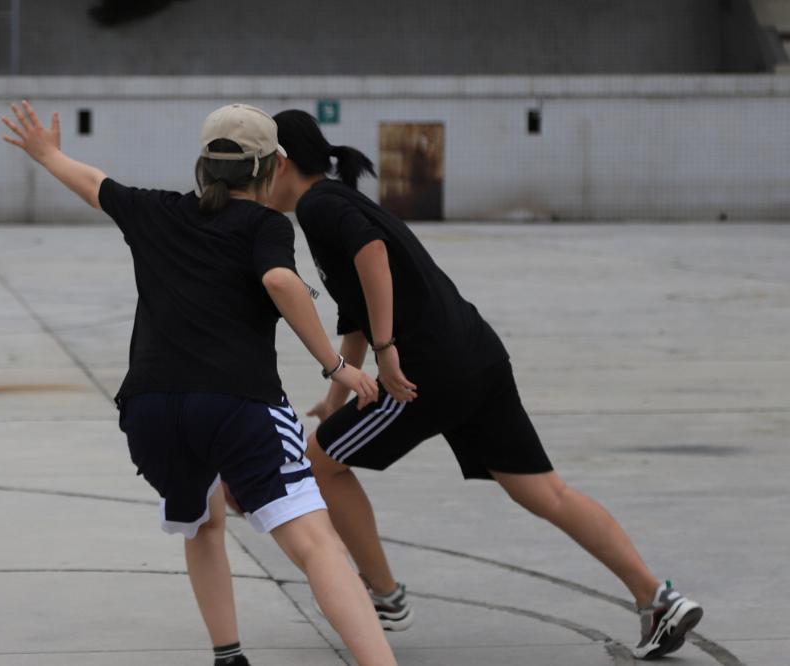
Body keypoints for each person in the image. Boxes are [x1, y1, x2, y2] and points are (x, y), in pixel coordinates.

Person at [267, 109, 703, 661]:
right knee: (544, 492)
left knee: (319, 464)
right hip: (477, 356)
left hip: (424, 374)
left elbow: (371, 255)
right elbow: (354, 316)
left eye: (257, 167)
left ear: (280, 162)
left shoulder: (318, 206)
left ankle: (385, 595)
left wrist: (387, 349)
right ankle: (657, 598)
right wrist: (335, 398)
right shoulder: (337, 201)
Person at [1, 100, 398, 666]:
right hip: (239, 407)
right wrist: (337, 366)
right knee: (317, 544)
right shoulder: (265, 225)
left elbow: (94, 184)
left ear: (204, 165)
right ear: (272, 168)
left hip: (151, 412)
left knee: (204, 522)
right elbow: (281, 282)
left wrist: (46, 154)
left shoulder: (156, 210)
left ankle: (228, 655)